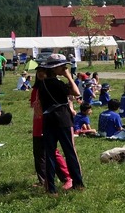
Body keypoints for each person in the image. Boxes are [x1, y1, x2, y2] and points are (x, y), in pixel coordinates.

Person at [35, 53, 85, 193]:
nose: (64, 68)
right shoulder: (58, 84)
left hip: (48, 120)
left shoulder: (42, 84)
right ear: (55, 69)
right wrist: (68, 76)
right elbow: (76, 92)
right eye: (61, 67)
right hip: (62, 120)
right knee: (70, 152)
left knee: (50, 154)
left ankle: (51, 189)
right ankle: (78, 183)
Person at [30, 70, 72, 190]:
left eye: (42, 71)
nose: (40, 73)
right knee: (38, 153)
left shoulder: (52, 86)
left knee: (53, 152)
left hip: (49, 122)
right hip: (38, 124)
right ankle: (43, 180)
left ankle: (67, 177)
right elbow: (34, 106)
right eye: (38, 72)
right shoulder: (36, 89)